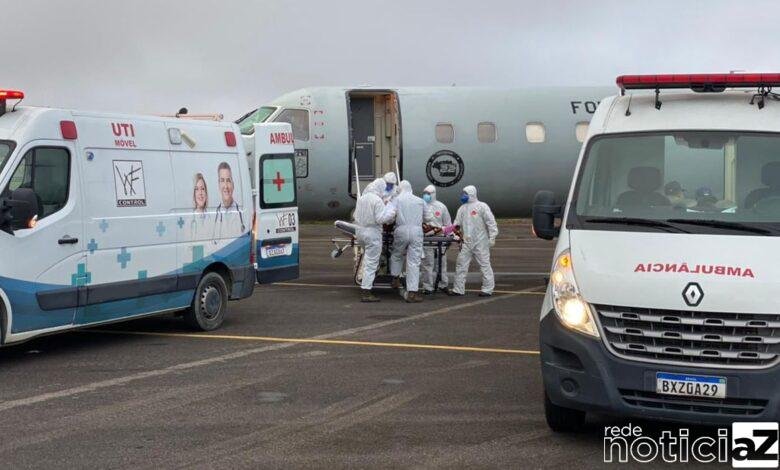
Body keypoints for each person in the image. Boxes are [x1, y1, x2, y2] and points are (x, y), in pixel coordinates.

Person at [450, 185, 498, 297]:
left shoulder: (482, 206)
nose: (463, 196)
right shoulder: (462, 209)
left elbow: (491, 222)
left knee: (484, 265)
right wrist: (455, 235)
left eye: (465, 193)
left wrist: (492, 237)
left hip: (480, 242)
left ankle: (487, 289)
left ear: (471, 194)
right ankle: (458, 289)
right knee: (461, 264)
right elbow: (456, 225)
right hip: (466, 242)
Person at [354, 178, 397, 302]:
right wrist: (392, 211)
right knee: (371, 263)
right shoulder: (377, 200)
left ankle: (365, 284)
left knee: (367, 259)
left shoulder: (362, 198)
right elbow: (380, 219)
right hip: (372, 233)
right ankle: (366, 291)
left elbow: (355, 215)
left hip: (360, 231)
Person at [389, 180, 425, 303]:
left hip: (401, 230)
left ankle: (395, 278)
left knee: (397, 254)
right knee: (414, 262)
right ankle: (412, 293)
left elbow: (390, 216)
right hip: (416, 231)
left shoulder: (397, 200)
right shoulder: (420, 201)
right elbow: (428, 217)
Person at [420, 184, 451, 294]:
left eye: (428, 194)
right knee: (427, 264)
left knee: (441, 264)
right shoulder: (420, 205)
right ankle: (428, 287)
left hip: (440, 239)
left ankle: (443, 284)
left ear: (433, 194)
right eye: (424, 193)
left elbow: (448, 224)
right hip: (427, 239)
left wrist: (449, 237)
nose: (426, 196)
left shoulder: (441, 207)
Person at [213, 161, 245, 242]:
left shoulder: (243, 213)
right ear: (218, 184)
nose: (226, 186)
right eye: (222, 180)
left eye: (228, 180)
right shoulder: (213, 215)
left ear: (233, 184)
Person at [190, 172, 210, 240]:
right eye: (197, 189)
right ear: (193, 194)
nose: (200, 193)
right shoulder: (189, 221)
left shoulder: (213, 219)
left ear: (206, 193)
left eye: (202, 189)